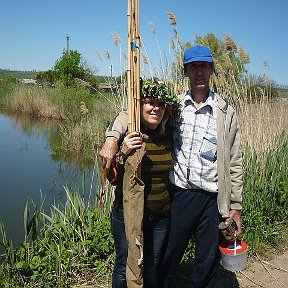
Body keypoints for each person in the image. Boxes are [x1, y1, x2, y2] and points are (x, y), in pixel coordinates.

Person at [100, 45, 243, 288]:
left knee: (206, 261)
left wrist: (235, 206)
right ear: (186, 71)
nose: (199, 71)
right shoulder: (174, 106)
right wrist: (113, 138)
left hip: (212, 199)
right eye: (193, 66)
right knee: (166, 258)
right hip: (179, 196)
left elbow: (234, 161)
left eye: (204, 66)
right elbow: (130, 112)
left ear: (211, 70)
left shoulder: (225, 112)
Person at [104, 80, 178, 288]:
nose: (156, 108)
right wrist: (122, 152)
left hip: (160, 216)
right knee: (124, 264)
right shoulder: (129, 135)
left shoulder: (168, 134)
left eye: (160, 104)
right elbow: (112, 178)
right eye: (150, 102)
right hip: (126, 214)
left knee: (151, 266)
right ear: (139, 106)